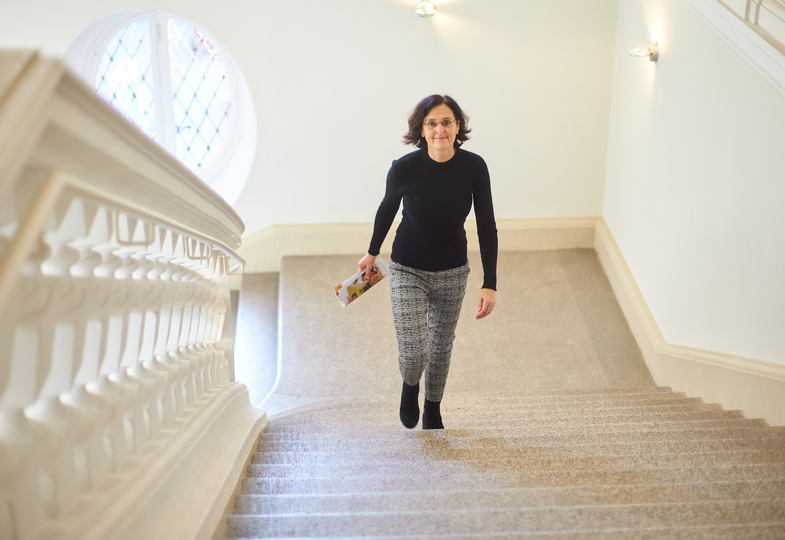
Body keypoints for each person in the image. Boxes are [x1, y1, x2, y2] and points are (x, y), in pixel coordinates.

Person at [358, 94, 498, 430]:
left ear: (458, 126)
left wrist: (490, 283)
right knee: (414, 350)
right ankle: (410, 386)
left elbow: (486, 226)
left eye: (446, 122)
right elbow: (387, 209)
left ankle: (433, 408)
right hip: (408, 268)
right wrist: (372, 252)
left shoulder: (474, 167)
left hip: (453, 271)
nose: (439, 130)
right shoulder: (404, 168)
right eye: (431, 123)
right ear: (421, 130)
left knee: (440, 347)